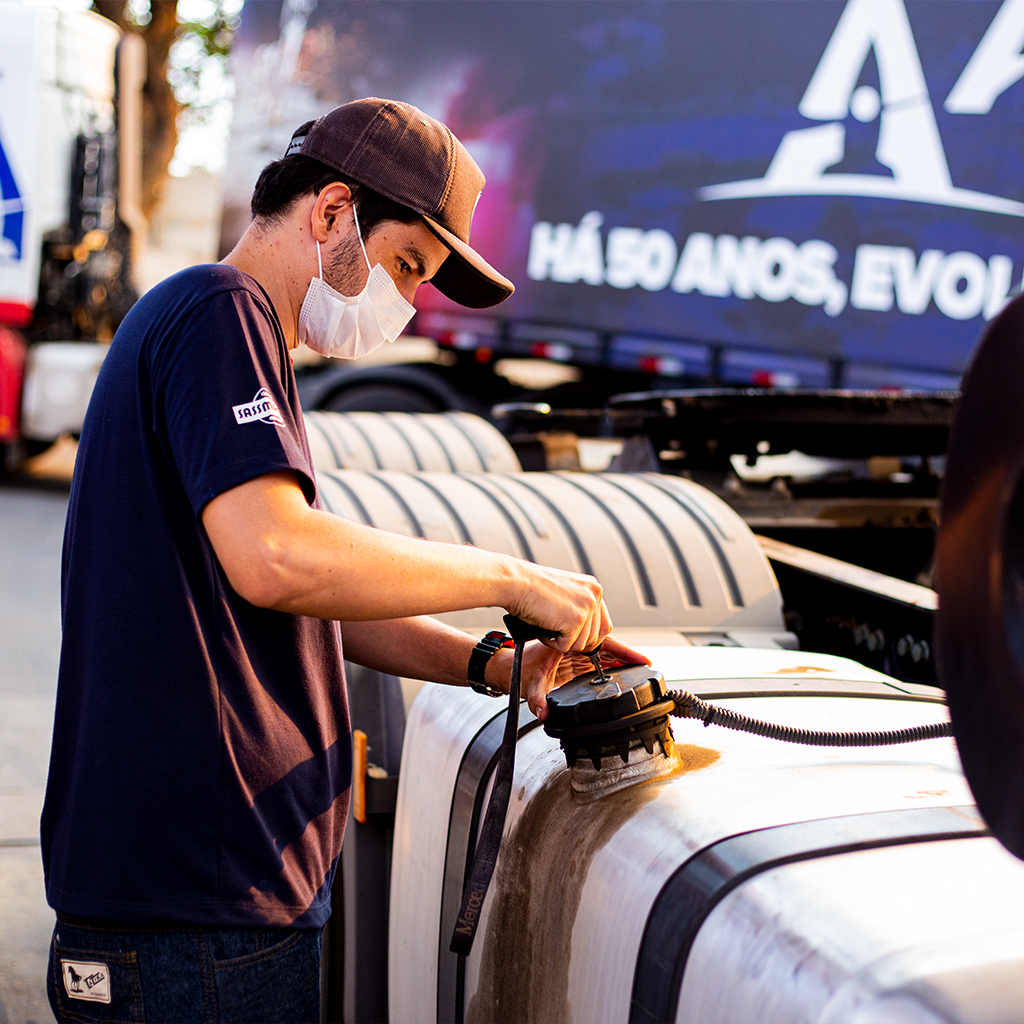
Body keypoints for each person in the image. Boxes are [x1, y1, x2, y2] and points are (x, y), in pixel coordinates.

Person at [41, 97, 644, 1022]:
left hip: (210, 903)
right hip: (192, 914)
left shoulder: (231, 335)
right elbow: (278, 558)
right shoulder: (217, 314)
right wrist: (511, 578)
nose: (406, 301)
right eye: (407, 265)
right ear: (331, 214)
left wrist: (492, 662)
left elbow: (308, 592)